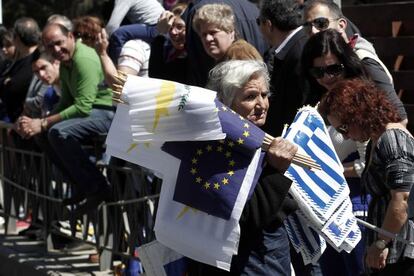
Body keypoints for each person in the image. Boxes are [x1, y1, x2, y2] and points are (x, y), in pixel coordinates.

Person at [187, 60, 298, 275]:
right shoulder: (215, 149)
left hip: (269, 259)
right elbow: (245, 218)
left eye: (264, 95)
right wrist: (274, 171)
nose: (262, 105)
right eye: (250, 97)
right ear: (225, 104)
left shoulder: (259, 142)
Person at [319, 78, 414, 276]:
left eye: (344, 127)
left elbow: (401, 200)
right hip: (391, 249)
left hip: (403, 251)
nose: (344, 136)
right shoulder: (376, 140)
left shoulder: (393, 138)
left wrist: (381, 242)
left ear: (359, 114)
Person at [18, 23, 114, 214]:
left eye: (59, 43)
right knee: (43, 135)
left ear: (70, 36)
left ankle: (98, 187)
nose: (56, 49)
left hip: (107, 112)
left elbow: (82, 106)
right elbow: (66, 101)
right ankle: (79, 184)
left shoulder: (83, 58)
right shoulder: (66, 61)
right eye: (49, 46)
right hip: (90, 112)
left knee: (58, 132)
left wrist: (44, 123)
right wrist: (40, 123)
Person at [301, 28, 370, 276]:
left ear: (347, 63)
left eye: (333, 69)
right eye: (318, 71)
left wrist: (334, 170)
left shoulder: (361, 99)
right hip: (324, 205)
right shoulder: (316, 100)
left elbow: (369, 163)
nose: (327, 77)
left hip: (357, 202)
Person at [302, 0, 407, 123]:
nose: (313, 31)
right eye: (307, 26)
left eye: (320, 23)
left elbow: (399, 119)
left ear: (341, 25)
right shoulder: (311, 62)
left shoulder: (364, 62)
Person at [257, 0, 310, 138]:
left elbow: (299, 104)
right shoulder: (295, 47)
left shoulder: (299, 51)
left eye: (259, 22)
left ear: (268, 24)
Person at [184, 0, 267, 86]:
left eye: (213, 32)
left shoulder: (241, 58)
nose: (208, 39)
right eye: (204, 35)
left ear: (231, 32)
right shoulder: (220, 60)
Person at [0, 17, 40, 123]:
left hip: (28, 122)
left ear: (17, 38)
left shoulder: (39, 59)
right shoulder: (16, 60)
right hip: (13, 119)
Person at [149, 3, 189, 83]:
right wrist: (160, 33)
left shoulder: (198, 52)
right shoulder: (169, 50)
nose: (173, 32)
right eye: (170, 28)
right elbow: (155, 77)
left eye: (179, 27)